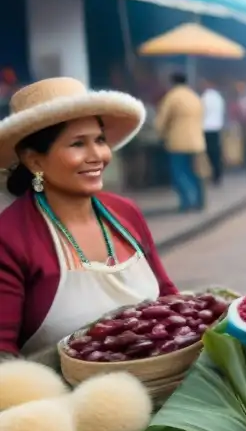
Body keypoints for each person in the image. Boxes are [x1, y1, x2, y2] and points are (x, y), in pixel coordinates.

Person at [0, 77, 178, 367]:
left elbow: (168, 297)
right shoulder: (11, 237)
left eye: (100, 140)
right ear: (35, 161)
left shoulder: (125, 212)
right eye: (77, 144)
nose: (97, 156)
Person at [155, 72, 205, 212]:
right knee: (195, 172)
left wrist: (159, 133)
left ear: (172, 82)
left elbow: (162, 120)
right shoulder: (194, 96)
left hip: (178, 142)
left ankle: (188, 202)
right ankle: (199, 201)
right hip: (196, 141)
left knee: (179, 173)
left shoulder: (172, 97)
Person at [200, 78, 225, 186]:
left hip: (207, 128)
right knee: (216, 152)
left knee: (210, 153)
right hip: (217, 127)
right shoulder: (219, 97)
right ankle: (217, 174)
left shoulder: (205, 98)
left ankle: (214, 175)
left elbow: (201, 112)